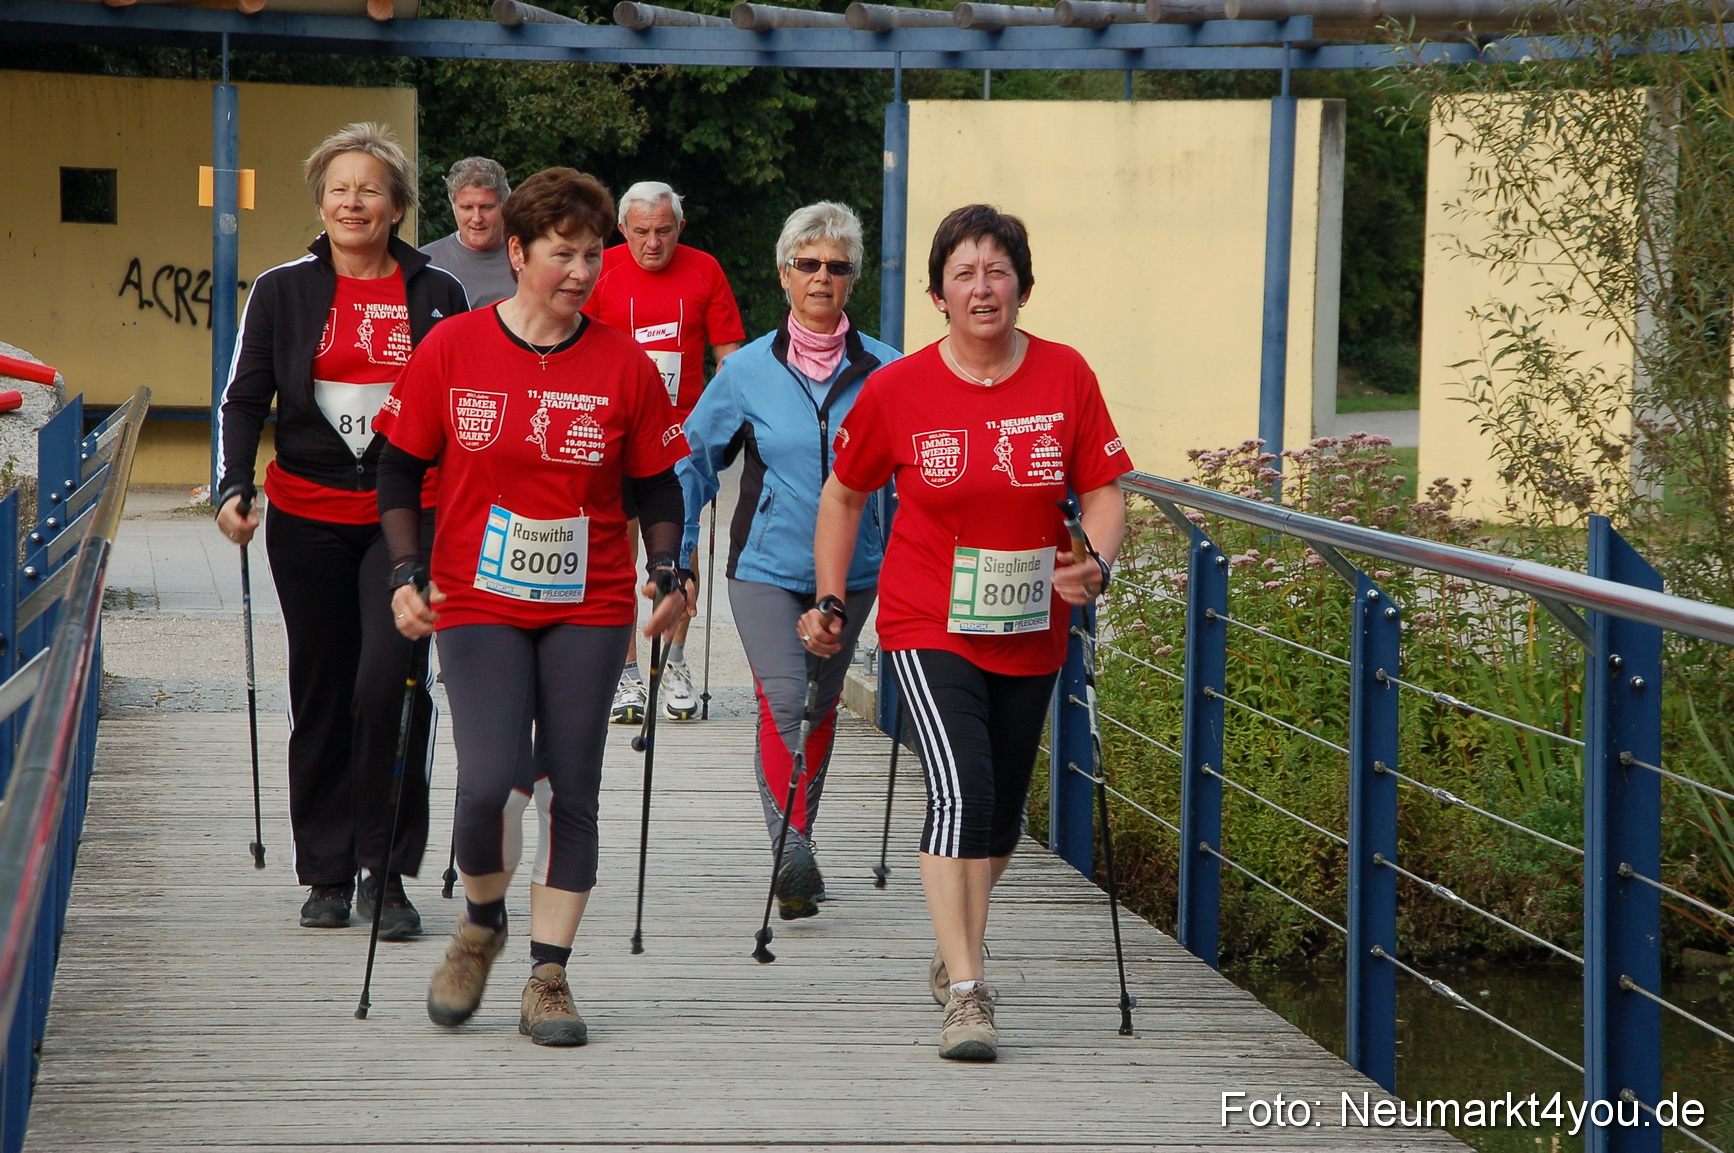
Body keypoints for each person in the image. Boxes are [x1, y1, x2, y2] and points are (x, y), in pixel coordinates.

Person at [800, 205, 1131, 1062]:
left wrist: (1093, 556)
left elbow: (1103, 487)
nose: (982, 287)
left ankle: (954, 955)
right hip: (926, 620)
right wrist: (833, 597)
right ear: (938, 294)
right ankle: (970, 990)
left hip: (1032, 624)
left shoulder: (1066, 375)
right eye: (964, 273)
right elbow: (843, 494)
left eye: (997, 271)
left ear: (1022, 283)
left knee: (1003, 815)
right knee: (961, 792)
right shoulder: (898, 389)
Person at [379, 167, 692, 1047]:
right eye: (564, 254)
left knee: (571, 783)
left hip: (587, 601)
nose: (584, 271)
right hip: (477, 595)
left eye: (595, 255)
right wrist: (406, 570)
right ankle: (482, 918)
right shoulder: (452, 348)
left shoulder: (624, 362)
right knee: (485, 783)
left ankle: (549, 974)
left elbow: (659, 484)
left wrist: (666, 569)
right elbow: (400, 467)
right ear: (516, 254)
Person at [215, 122, 467, 939]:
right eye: (338, 188)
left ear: (397, 206)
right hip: (308, 517)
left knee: (389, 687)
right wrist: (233, 486)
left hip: (409, 521)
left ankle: (386, 871)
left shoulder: (438, 292)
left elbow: (463, 410)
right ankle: (324, 869)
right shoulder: (284, 290)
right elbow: (245, 398)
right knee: (322, 690)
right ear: (320, 204)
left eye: (369, 188)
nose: (352, 201)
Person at [678, 202, 898, 920]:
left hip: (856, 573)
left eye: (837, 267)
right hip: (765, 569)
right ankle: (790, 848)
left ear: (851, 280)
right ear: (784, 275)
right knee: (781, 697)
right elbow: (694, 461)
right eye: (809, 264)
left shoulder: (889, 369)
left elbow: (920, 469)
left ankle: (797, 846)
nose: (822, 277)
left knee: (820, 702)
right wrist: (676, 557)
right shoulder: (744, 372)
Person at [583, 181, 745, 724]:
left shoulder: (704, 270)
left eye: (664, 231)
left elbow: (729, 356)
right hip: (616, 433)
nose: (652, 243)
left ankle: (673, 663)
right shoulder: (600, 268)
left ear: (681, 227)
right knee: (618, 552)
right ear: (622, 229)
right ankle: (625, 674)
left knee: (680, 550)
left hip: (683, 436)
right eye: (642, 232)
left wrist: (727, 424)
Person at [419, 157, 516, 308]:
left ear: (504, 206)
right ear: (453, 207)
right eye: (467, 208)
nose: (477, 218)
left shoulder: (528, 257)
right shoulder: (427, 264)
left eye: (486, 207)